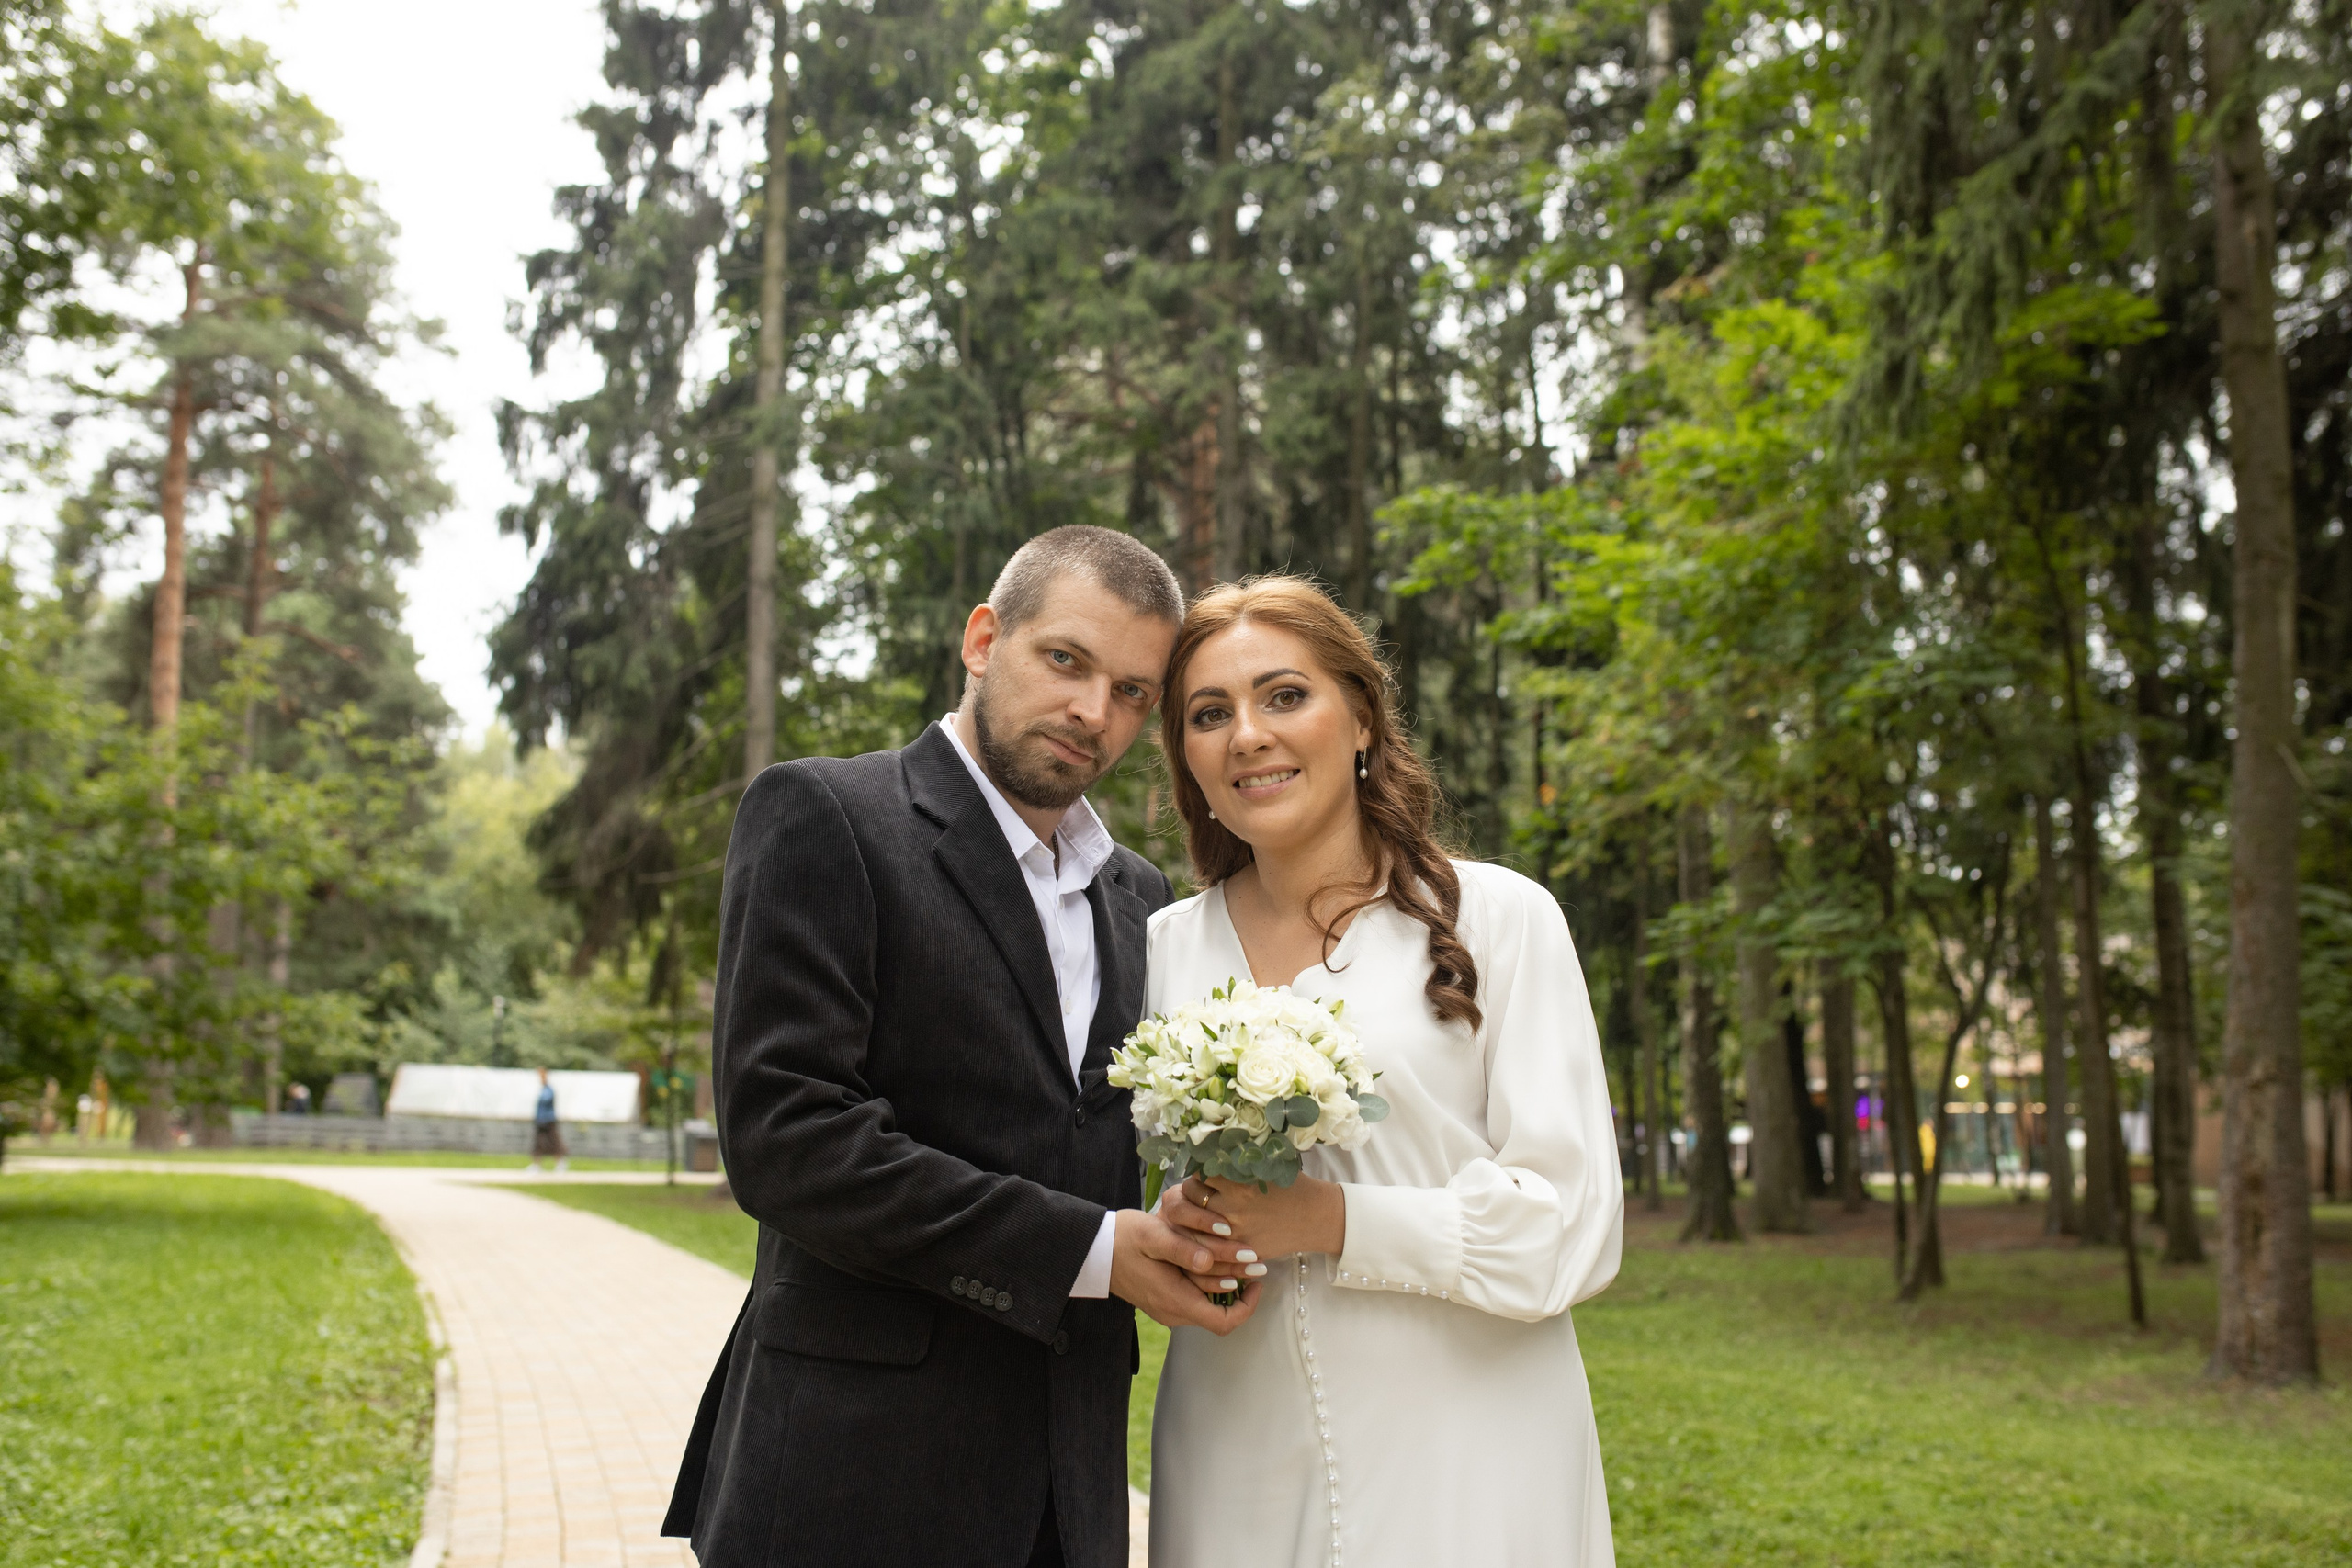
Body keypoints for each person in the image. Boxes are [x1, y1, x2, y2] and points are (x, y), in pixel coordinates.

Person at [663, 525, 1256, 1568]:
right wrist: (1094, 1251)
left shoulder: (1141, 898)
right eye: (1065, 661)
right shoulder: (826, 815)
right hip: (848, 1478)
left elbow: (1091, 1146)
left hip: (1065, 1490)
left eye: (1131, 692)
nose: (1091, 712)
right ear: (984, 639)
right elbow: (789, 1139)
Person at [1147, 577, 1624, 1567]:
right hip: (1232, 1436)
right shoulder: (1156, 950)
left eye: (1284, 696)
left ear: (1360, 716)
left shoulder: (1499, 919)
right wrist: (1169, 1236)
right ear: (1187, 758)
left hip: (1470, 1443)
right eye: (1209, 713)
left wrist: (1335, 1222)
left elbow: (1571, 1223)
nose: (1247, 734)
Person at [526, 1066, 567, 1174]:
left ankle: (560, 1164)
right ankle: (536, 1165)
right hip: (540, 1120)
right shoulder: (541, 1089)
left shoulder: (548, 1090)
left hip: (548, 1120)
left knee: (554, 1142)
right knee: (538, 1144)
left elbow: (546, 1100)